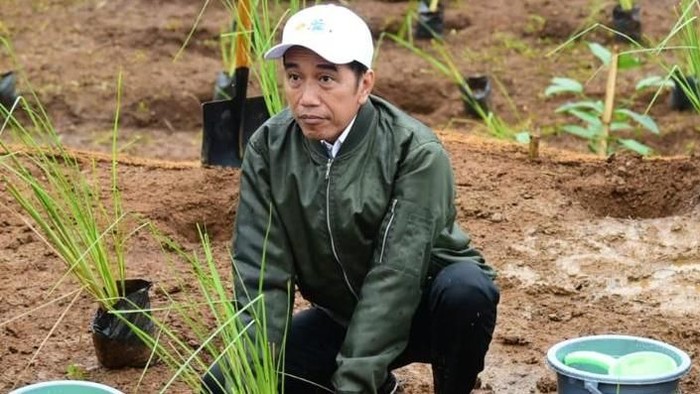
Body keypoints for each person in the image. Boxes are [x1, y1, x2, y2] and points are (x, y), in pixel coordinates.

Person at [202, 4, 499, 394]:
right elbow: (262, 275)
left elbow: (397, 276)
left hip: (424, 312)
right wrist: (254, 375)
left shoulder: (413, 151)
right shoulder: (270, 148)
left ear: (364, 85)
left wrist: (354, 383)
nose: (306, 97)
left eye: (326, 78)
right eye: (295, 77)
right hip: (340, 318)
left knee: (467, 289)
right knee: (225, 385)